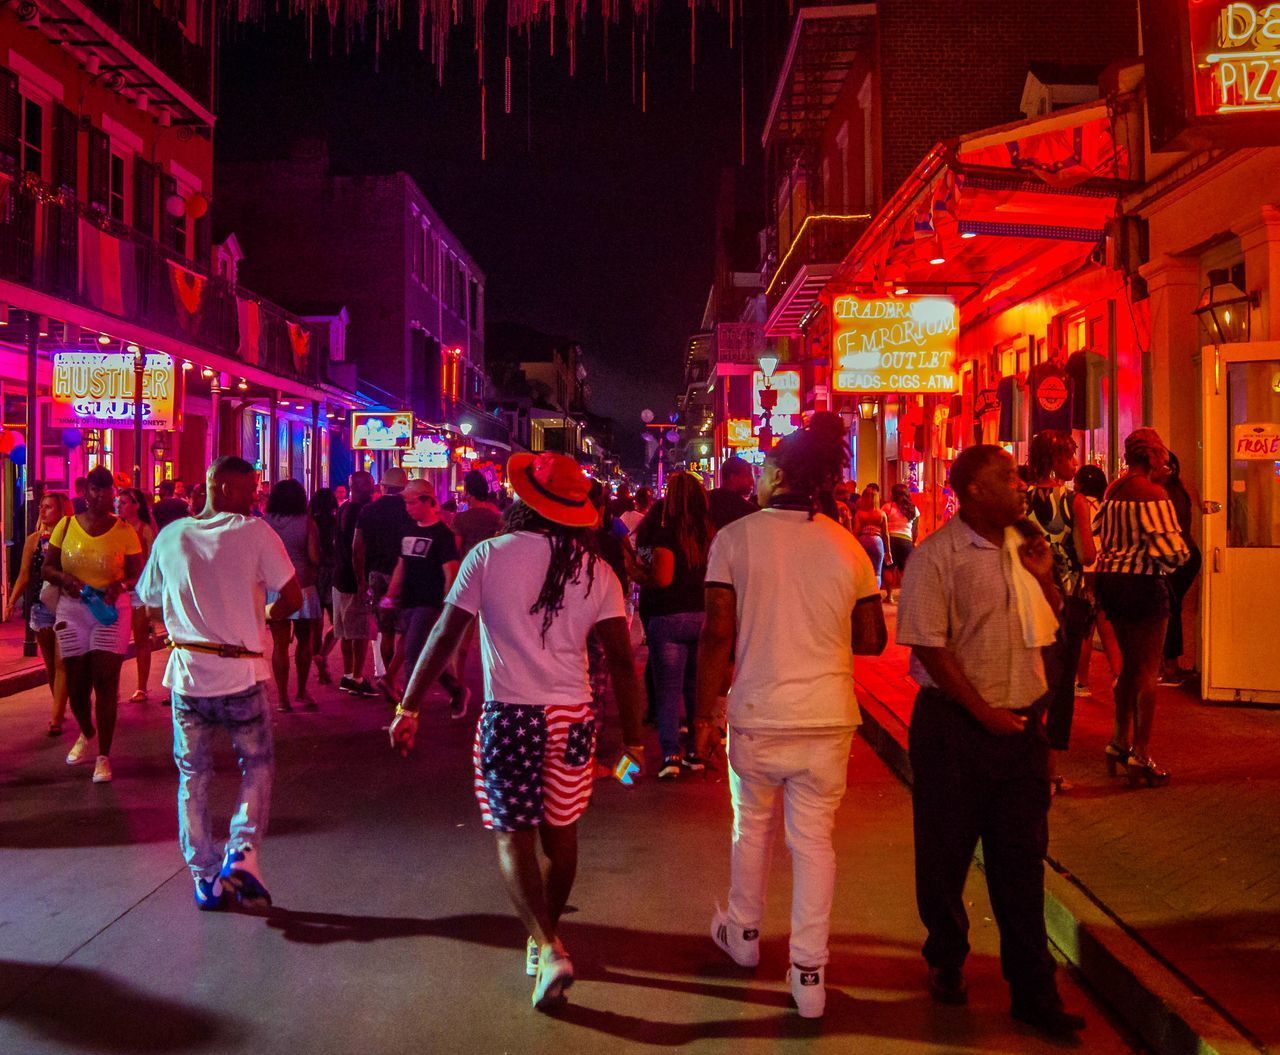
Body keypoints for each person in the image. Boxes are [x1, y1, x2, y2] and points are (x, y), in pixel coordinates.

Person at [389, 451, 646, 1012]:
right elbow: (622, 663)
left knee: (513, 834)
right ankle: (546, 938)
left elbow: (444, 634)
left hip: (510, 714)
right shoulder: (596, 569)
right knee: (562, 831)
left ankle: (546, 944)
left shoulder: (487, 557)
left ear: (524, 501)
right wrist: (635, 742)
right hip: (574, 715)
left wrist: (409, 705)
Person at [695, 413, 886, 1020]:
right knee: (814, 844)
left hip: (758, 710)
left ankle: (744, 936)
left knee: (750, 828)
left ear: (776, 475)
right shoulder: (846, 542)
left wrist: (704, 714)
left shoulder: (735, 539)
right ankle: (809, 974)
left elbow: (716, 634)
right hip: (828, 715)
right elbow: (873, 639)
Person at [896, 444, 1084, 1039]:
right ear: (974, 490)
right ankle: (947, 958)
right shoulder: (937, 557)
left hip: (1021, 729)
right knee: (945, 854)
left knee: (1022, 863)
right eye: (1007, 476)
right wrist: (981, 713)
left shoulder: (1024, 548)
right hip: (956, 730)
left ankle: (1033, 991)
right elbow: (929, 645)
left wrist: (1046, 578)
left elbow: (1052, 626)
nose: (1021, 484)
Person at [136, 456, 301, 911]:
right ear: (224, 488)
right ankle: (243, 854)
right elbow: (292, 597)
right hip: (242, 675)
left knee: (193, 777)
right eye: (250, 490)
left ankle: (204, 876)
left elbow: (148, 601)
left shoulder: (171, 536)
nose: (256, 498)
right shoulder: (255, 533)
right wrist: (262, 617)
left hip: (188, 676)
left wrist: (184, 621)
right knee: (258, 765)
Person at [1095, 428, 1190, 787]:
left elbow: (1100, 528)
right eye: (1162, 452)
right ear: (1151, 455)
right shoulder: (1153, 494)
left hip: (1112, 582)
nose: (1166, 459)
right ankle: (1141, 752)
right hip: (1142, 583)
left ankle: (1118, 740)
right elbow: (1172, 550)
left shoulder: (1114, 489)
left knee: (1131, 667)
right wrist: (1179, 555)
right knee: (1149, 670)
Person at [42, 467, 145, 784]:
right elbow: (47, 568)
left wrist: (121, 585)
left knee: (105, 679)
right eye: (96, 490)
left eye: (108, 490)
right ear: (85, 492)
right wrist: (65, 579)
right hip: (73, 609)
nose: (103, 496)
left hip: (110, 610)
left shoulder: (124, 530)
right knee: (75, 682)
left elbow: (137, 572)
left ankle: (103, 756)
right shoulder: (66, 525)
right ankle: (86, 732)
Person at [633, 472, 715, 779]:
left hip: (669, 617)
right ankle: (696, 751)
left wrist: (638, 573)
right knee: (696, 690)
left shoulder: (666, 534)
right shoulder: (709, 532)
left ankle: (671, 755)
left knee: (668, 693)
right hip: (704, 616)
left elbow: (663, 578)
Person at [1025, 429, 1092, 794]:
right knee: (1060, 688)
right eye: (1070, 457)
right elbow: (1087, 553)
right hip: (1065, 602)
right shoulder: (1074, 501)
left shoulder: (1020, 500)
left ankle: (1026, 763)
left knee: (1030, 683)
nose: (1075, 464)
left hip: (1027, 600)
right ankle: (1049, 771)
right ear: (1055, 461)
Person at [380, 479, 467, 715]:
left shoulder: (443, 535)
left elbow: (451, 571)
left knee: (412, 654)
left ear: (428, 501)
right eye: (406, 503)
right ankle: (455, 688)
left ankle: (407, 711)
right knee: (422, 652)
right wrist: (390, 596)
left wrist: (448, 605)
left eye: (412, 502)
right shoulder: (408, 529)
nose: (408, 508)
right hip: (408, 600)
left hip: (429, 603)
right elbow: (401, 566)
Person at [8, 491, 74, 735]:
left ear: (60, 511)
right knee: (50, 663)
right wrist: (11, 602)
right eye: (42, 507)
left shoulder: (69, 538)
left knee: (62, 661)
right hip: (40, 605)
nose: (43, 511)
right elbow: (24, 574)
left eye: (49, 507)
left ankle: (56, 717)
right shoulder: (33, 540)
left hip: (66, 604)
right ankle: (60, 703)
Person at [354, 466, 415, 694]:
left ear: (383, 486)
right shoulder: (409, 509)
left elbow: (357, 547)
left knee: (386, 629)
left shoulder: (369, 510)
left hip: (375, 573)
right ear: (404, 486)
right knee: (408, 628)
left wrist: (361, 578)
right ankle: (393, 676)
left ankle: (390, 674)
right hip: (403, 573)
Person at [263, 479, 323, 712]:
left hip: (274, 587)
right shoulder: (307, 523)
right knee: (304, 641)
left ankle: (282, 698)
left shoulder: (264, 523)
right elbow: (314, 557)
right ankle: (301, 691)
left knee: (279, 643)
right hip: (303, 585)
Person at [451, 469, 504, 690]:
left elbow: (455, 549)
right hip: (493, 578)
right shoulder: (498, 518)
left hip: (468, 578)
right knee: (496, 636)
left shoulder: (461, 518)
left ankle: (458, 684)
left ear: (469, 493)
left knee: (462, 637)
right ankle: (498, 683)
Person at [1071, 464, 1123, 693]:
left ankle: (1082, 681)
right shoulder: (1108, 507)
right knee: (1107, 628)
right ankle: (1119, 675)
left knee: (1085, 631)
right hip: (1107, 570)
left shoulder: (1078, 505)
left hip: (1087, 572)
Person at [332, 471, 377, 697]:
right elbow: (357, 549)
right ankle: (357, 677)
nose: (373, 487)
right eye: (369, 484)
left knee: (346, 631)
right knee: (359, 632)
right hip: (352, 578)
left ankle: (349, 674)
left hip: (339, 577)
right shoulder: (363, 512)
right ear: (359, 486)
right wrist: (361, 579)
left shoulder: (342, 509)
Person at [1160, 451, 1203, 685]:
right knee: (1172, 607)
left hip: (1176, 555)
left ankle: (1170, 665)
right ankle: (1170, 663)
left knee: (1170, 608)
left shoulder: (1162, 492)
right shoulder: (1182, 487)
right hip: (1188, 553)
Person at [117, 487, 158, 704]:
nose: (119, 505)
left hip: (138, 591)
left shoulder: (144, 530)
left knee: (141, 638)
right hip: (117, 590)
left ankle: (141, 686)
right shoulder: (114, 527)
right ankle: (112, 686)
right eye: (118, 501)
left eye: (124, 502)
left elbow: (152, 561)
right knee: (115, 641)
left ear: (136, 505)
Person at [309, 488, 340, 686]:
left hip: (314, 574)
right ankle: (323, 654)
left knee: (315, 626)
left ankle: (321, 669)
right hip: (333, 572)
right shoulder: (336, 523)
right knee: (338, 622)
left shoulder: (309, 524)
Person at [884, 483, 919, 603]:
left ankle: (889, 596)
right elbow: (915, 529)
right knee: (905, 570)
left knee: (888, 567)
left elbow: (883, 527)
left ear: (893, 494)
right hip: (906, 541)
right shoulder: (913, 509)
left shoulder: (887, 507)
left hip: (891, 540)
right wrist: (912, 542)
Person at [853, 488, 891, 586]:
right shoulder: (881, 514)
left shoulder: (859, 513)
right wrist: (888, 551)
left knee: (862, 571)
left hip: (863, 541)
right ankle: (875, 595)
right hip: (877, 541)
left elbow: (856, 531)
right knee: (877, 572)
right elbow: (886, 534)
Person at [707, 456, 758, 529]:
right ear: (733, 478)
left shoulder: (707, 501)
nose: (752, 481)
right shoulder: (747, 511)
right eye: (747, 476)